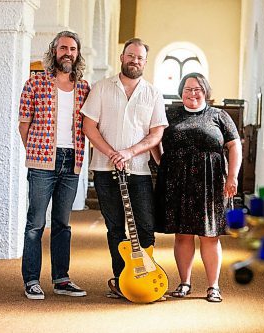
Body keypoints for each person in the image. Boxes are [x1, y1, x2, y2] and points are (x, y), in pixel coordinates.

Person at [81, 38, 168, 298]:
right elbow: (88, 127)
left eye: (140, 58)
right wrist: (112, 154)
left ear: (144, 62)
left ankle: (148, 276)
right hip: (106, 170)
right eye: (131, 56)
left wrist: (129, 153)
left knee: (144, 226)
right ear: (122, 57)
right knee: (116, 227)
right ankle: (123, 282)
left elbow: (156, 134)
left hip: (139, 170)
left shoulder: (153, 93)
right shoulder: (101, 88)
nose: (135, 61)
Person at [152, 72, 242, 303]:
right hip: (177, 182)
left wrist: (232, 176)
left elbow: (234, 146)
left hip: (210, 182)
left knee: (209, 235)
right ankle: (184, 283)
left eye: (197, 89)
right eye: (188, 89)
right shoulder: (169, 114)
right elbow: (154, 139)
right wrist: (163, 162)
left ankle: (213, 286)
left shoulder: (218, 115)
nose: (192, 93)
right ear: (181, 92)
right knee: (182, 235)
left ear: (205, 92)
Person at [18, 31, 90, 300]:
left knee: (63, 223)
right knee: (35, 223)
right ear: (54, 51)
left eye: (72, 48)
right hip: (42, 162)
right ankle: (32, 280)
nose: (67, 52)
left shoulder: (84, 88)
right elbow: (23, 124)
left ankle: (61, 279)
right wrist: (36, 152)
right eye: (63, 48)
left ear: (77, 54)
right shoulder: (35, 83)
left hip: (72, 161)